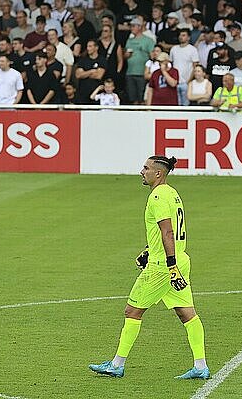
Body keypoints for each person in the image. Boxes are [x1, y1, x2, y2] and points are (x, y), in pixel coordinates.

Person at [89, 155, 209, 381]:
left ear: (158, 173)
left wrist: (169, 265)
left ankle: (116, 365)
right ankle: (200, 366)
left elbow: (168, 232)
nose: (141, 171)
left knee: (132, 311)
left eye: (145, 168)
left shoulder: (157, 197)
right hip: (179, 259)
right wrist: (148, 250)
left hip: (163, 266)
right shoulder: (172, 193)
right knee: (187, 313)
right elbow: (166, 231)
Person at [125, 17, 154, 104]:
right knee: (132, 98)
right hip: (130, 72)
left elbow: (152, 56)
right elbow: (125, 55)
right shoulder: (129, 40)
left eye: (134, 26)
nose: (132, 28)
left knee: (142, 97)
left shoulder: (148, 40)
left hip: (142, 73)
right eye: (131, 26)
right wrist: (126, 55)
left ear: (140, 27)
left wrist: (144, 51)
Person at [170, 28, 199, 106]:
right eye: (180, 35)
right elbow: (171, 65)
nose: (181, 37)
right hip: (175, 82)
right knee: (176, 106)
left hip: (186, 82)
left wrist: (189, 81)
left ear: (188, 37)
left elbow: (195, 66)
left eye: (183, 35)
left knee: (186, 106)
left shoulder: (193, 50)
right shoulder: (174, 49)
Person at [74, 39, 106, 104]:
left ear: (96, 47)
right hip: (82, 93)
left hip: (96, 93)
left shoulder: (102, 60)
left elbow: (98, 76)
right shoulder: (83, 60)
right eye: (87, 46)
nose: (88, 48)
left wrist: (84, 73)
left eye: (90, 46)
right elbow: (78, 75)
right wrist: (91, 71)